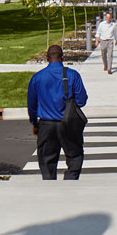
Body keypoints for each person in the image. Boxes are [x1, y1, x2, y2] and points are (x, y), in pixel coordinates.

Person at [27, 45, 89, 179]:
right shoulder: (73, 75)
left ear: (47, 58)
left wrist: (34, 123)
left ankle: (50, 187)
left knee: (47, 160)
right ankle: (70, 182)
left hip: (46, 124)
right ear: (63, 57)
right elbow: (82, 100)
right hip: (68, 123)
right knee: (74, 156)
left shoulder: (37, 78)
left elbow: (32, 104)